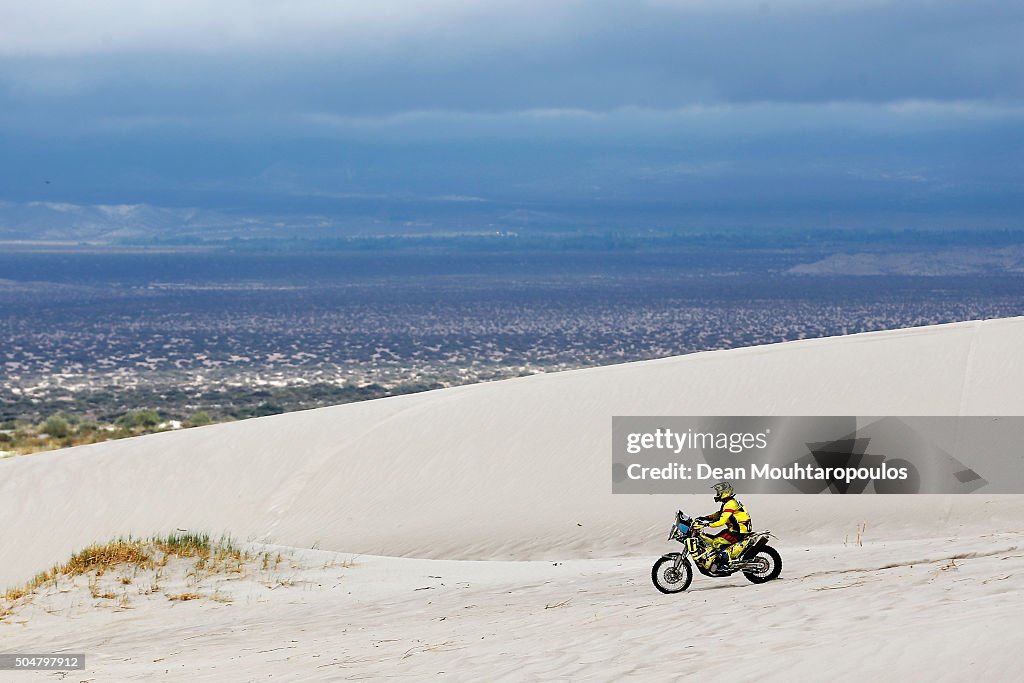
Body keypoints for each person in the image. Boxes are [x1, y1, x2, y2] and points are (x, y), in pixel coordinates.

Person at [696, 481, 752, 571]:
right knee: (714, 539)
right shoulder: (728, 503)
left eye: (719, 492)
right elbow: (719, 514)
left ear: (725, 492)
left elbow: (722, 521)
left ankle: (727, 564)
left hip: (739, 531)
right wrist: (706, 518)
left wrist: (707, 524)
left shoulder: (730, 504)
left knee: (717, 543)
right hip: (734, 530)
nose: (717, 494)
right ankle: (718, 560)